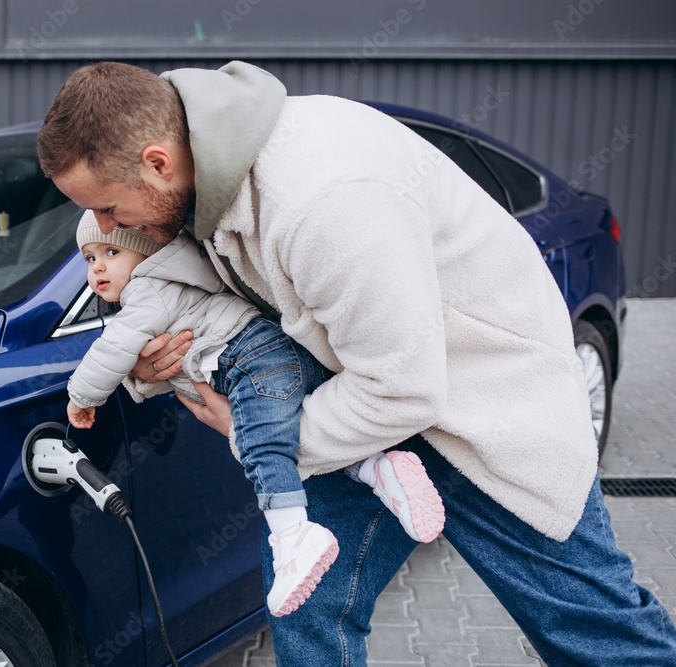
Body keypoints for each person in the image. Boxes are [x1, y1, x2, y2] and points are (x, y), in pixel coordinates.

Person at [39, 60, 676, 664]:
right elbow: (216, 307)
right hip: (359, 405)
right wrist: (148, 370)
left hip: (484, 410)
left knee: (593, 630)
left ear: (158, 162)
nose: (103, 227)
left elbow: (403, 390)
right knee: (306, 601)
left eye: (110, 208)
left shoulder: (324, 200)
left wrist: (258, 437)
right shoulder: (198, 186)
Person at [65, 212, 445, 617]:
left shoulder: (146, 290)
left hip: (250, 361)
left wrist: (82, 396)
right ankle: (380, 469)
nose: (99, 266)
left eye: (111, 251)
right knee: (297, 432)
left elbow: (113, 347)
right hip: (281, 353)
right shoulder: (181, 280)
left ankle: (293, 536)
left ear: (147, 253)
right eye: (89, 258)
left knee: (259, 444)